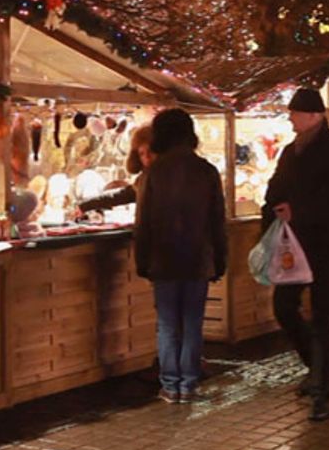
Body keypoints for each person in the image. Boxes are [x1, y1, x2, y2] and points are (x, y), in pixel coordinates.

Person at [263, 88, 329, 421]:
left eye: (295, 113)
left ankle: (321, 392)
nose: (290, 118)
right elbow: (275, 189)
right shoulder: (291, 151)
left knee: (322, 318)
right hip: (292, 248)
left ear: (314, 115)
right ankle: (316, 367)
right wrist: (270, 223)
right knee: (283, 307)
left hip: (325, 247)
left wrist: (298, 211)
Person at [134, 109, 227, 405]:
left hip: (163, 258)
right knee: (192, 322)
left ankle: (170, 385)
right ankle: (188, 384)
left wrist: (142, 260)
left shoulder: (153, 173)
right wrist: (220, 259)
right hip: (198, 257)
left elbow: (143, 222)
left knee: (167, 324)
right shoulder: (207, 171)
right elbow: (217, 221)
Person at [77, 124, 153, 215]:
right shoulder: (145, 179)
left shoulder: (165, 178)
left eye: (151, 151)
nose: (147, 157)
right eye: (142, 154)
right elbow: (119, 196)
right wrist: (83, 206)